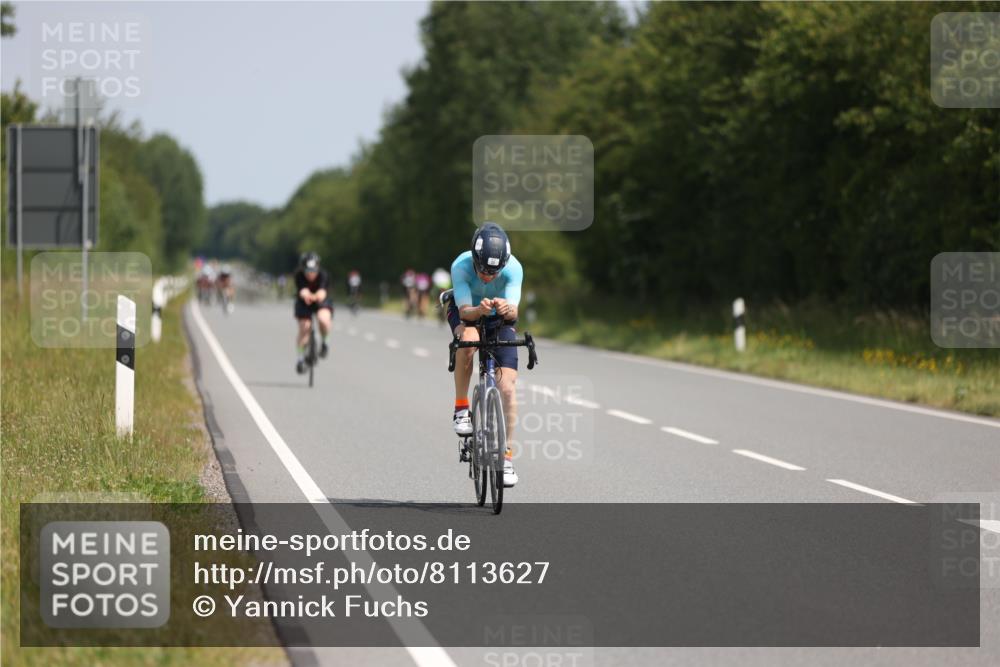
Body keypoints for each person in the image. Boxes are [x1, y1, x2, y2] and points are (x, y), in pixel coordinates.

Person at [446, 222, 523, 488]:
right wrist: (479, 310)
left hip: (498, 319)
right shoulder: (461, 266)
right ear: (475, 260)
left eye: (494, 272)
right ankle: (461, 408)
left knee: (508, 389)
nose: (488, 277)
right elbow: (466, 312)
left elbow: (514, 314)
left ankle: (507, 456)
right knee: (468, 339)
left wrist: (506, 308)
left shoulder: (514, 268)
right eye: (483, 270)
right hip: (467, 311)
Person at [293, 252, 333, 374]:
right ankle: (300, 359)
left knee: (323, 320)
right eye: (308, 270)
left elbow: (322, 292)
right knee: (304, 327)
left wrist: (315, 296)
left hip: (320, 299)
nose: (311, 273)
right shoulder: (299, 276)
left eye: (314, 269)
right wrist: (307, 295)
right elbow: (303, 291)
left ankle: (325, 342)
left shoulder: (323, 275)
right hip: (304, 301)